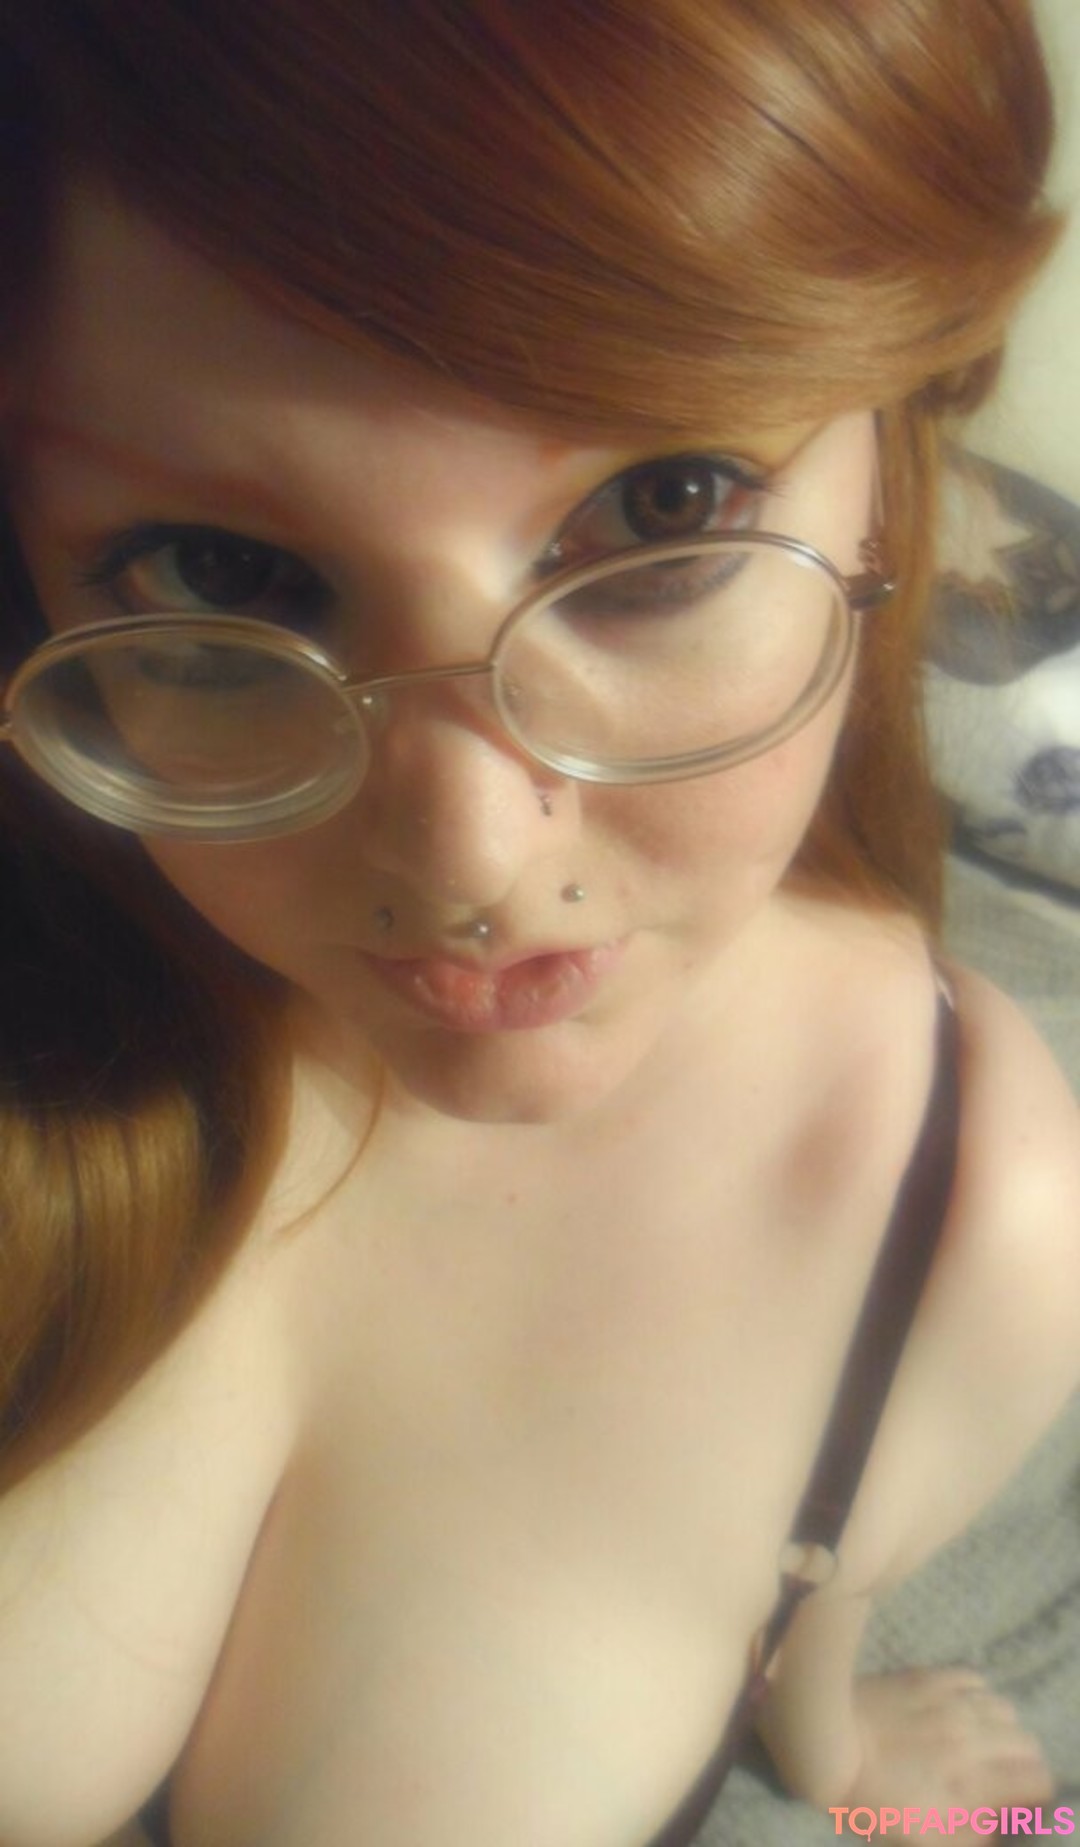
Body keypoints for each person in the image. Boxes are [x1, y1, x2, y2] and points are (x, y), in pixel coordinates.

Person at [0, 3, 1078, 1843]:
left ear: (892, 466)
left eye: (665, 511)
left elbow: (807, 1567)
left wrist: (839, 1754)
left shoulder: (964, 1200)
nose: (470, 855)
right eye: (222, 575)